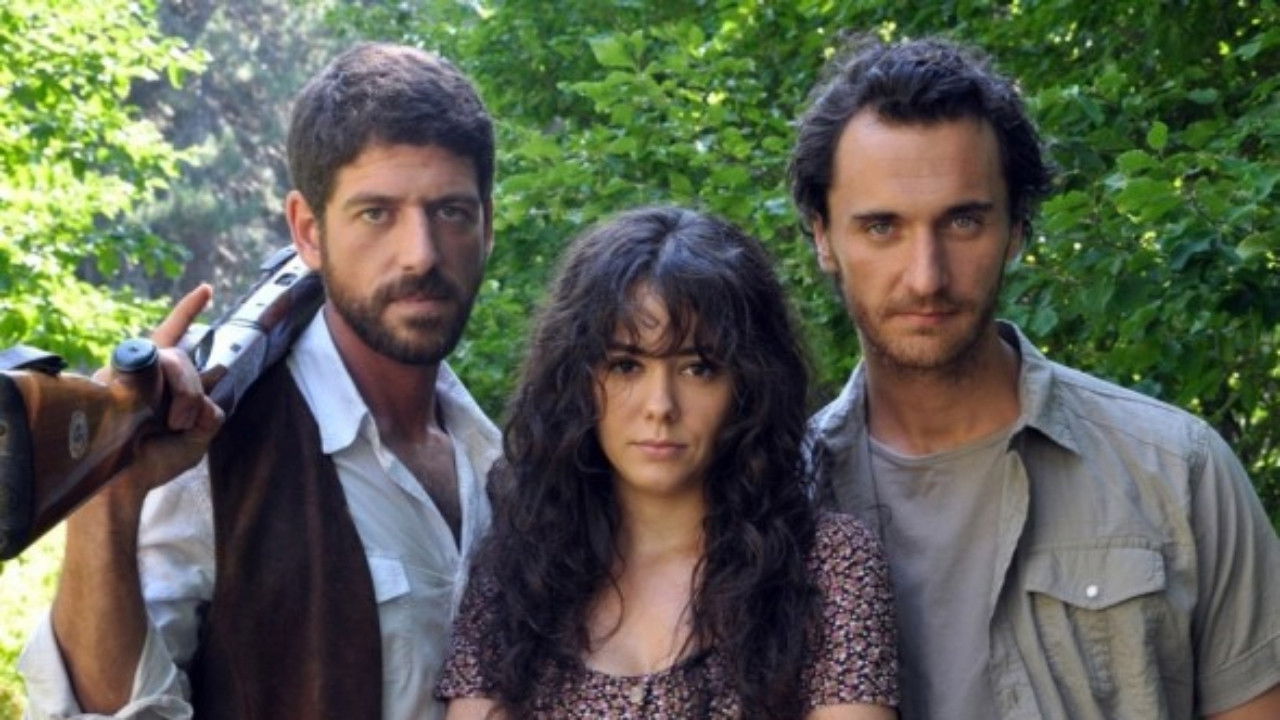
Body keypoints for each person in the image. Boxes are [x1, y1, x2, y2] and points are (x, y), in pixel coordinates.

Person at [789, 35, 1280, 720]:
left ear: (1016, 228)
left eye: (963, 221)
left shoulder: (1177, 471)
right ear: (823, 236)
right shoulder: (774, 503)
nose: (926, 275)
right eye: (881, 227)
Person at [19, 43, 501, 719]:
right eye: (376, 213)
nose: (420, 254)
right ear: (307, 230)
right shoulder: (209, 443)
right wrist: (111, 495)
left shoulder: (500, 460)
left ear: (487, 225)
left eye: (450, 212)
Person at [436, 206, 899, 719]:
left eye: (699, 368)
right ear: (577, 380)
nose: (660, 406)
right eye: (626, 365)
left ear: (750, 384)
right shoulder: (517, 570)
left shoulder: (828, 564)